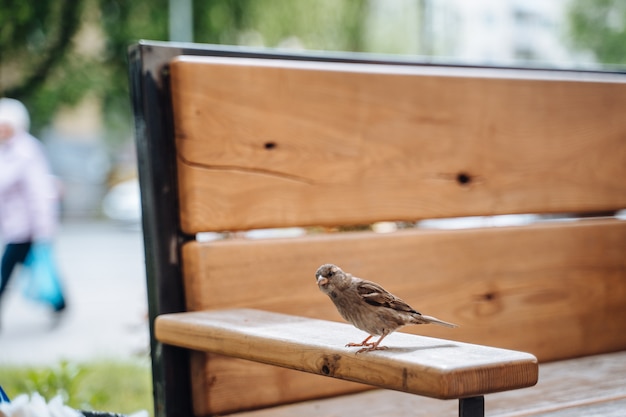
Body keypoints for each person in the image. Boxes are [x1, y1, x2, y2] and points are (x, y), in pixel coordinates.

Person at [0, 98, 66, 326]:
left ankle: (61, 304)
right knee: (40, 268)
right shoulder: (6, 151)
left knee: (5, 270)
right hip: (14, 227)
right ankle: (60, 304)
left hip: (27, 228)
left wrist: (43, 231)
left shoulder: (26, 152)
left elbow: (38, 194)